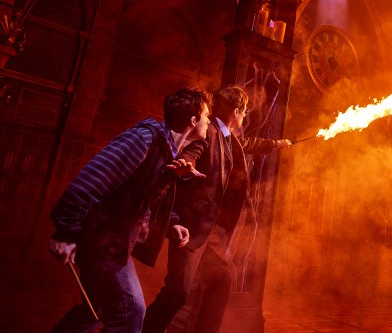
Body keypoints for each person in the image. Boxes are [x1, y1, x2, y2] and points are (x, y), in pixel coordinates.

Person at [48, 87, 211, 333]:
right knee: (131, 313)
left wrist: (172, 224)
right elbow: (91, 179)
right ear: (193, 120)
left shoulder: (168, 151)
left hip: (116, 242)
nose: (209, 121)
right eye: (206, 115)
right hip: (104, 242)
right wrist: (65, 233)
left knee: (95, 310)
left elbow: (144, 199)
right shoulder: (144, 139)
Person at [143, 84, 291, 333]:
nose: (244, 117)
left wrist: (276, 144)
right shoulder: (208, 134)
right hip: (192, 229)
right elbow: (194, 149)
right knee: (177, 292)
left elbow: (248, 143)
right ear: (236, 111)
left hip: (209, 232)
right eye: (244, 113)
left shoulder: (228, 137)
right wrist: (185, 163)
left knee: (222, 280)